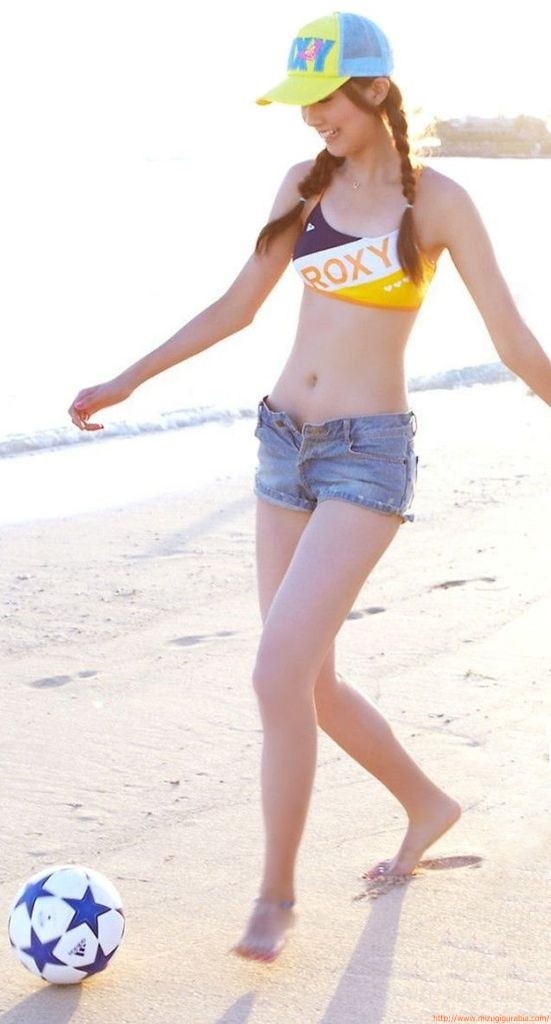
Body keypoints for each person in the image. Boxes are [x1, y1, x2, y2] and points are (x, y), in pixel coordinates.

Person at [68, 12, 551, 963]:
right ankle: (426, 804)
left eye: (323, 100)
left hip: (366, 458)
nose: (310, 120)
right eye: (300, 105)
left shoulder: (438, 202)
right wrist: (128, 379)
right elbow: (237, 305)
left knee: (274, 671)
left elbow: (509, 337)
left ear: (374, 89)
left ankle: (275, 896)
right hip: (281, 445)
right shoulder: (304, 184)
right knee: (310, 683)